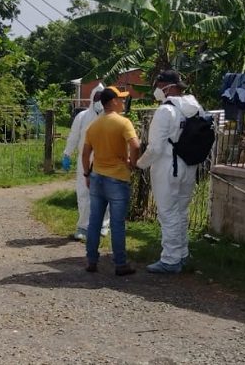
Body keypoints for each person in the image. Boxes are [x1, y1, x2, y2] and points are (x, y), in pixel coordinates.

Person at [137, 70, 204, 274]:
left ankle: (170, 259)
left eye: (158, 85)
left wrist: (139, 164)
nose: (156, 89)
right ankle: (182, 254)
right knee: (181, 212)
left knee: (167, 214)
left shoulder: (166, 111)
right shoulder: (194, 107)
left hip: (168, 167)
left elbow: (155, 147)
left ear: (167, 86)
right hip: (189, 166)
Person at [82, 86, 140, 276]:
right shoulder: (123, 123)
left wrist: (86, 174)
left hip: (97, 177)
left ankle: (91, 260)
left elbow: (85, 154)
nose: (123, 102)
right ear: (113, 101)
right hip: (117, 178)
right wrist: (133, 162)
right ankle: (120, 264)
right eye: (121, 99)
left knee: (95, 221)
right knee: (117, 223)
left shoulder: (94, 125)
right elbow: (135, 145)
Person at [62, 83, 110, 241]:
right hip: (84, 162)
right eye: (96, 97)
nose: (99, 100)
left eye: (102, 97)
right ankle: (83, 226)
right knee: (83, 193)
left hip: (106, 162)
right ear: (92, 98)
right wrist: (67, 154)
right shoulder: (82, 117)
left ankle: (103, 224)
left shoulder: (111, 117)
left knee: (104, 194)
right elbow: (74, 136)